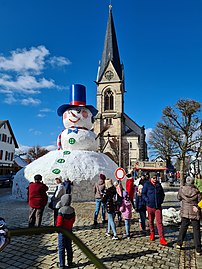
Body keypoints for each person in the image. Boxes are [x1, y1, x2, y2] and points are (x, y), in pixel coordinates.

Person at [176, 176, 202, 255]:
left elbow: (178, 198)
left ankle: (179, 244)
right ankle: (198, 249)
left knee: (183, 227)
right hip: (194, 211)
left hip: (185, 211)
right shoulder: (196, 191)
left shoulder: (182, 190)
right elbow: (200, 201)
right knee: (196, 230)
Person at [142, 173, 168, 245]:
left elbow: (162, 194)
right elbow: (143, 194)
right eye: (153, 178)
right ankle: (152, 233)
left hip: (158, 207)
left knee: (159, 222)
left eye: (155, 178)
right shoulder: (147, 184)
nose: (155, 179)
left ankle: (162, 238)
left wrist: (161, 201)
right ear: (150, 178)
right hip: (150, 206)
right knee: (150, 221)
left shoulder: (158, 185)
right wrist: (147, 200)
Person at [56, 194, 76, 268]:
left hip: (62, 231)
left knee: (61, 248)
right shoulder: (72, 209)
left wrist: (58, 229)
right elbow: (73, 220)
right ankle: (70, 262)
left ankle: (62, 264)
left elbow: (59, 222)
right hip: (69, 230)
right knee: (69, 247)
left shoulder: (61, 210)